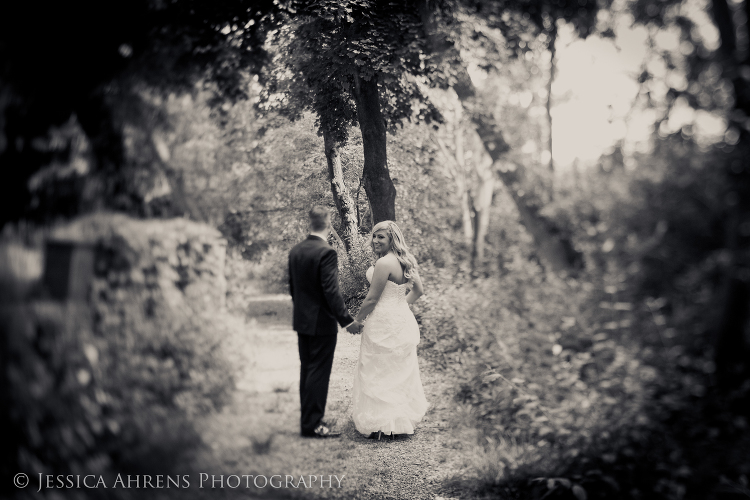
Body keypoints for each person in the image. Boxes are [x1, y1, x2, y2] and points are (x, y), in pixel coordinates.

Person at [350, 220, 429, 439]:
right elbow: (418, 291)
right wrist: (400, 305)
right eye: (374, 236)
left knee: (379, 369)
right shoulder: (407, 260)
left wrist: (357, 320)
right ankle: (398, 422)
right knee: (396, 370)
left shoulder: (384, 263)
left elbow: (372, 298)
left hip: (383, 321)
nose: (375, 240)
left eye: (381, 237)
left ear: (392, 239)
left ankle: (381, 424)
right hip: (401, 319)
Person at [288, 206, 362, 438]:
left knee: (307, 371)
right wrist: (346, 321)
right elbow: (331, 291)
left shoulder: (296, 251)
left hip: (302, 321)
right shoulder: (326, 252)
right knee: (318, 373)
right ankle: (313, 425)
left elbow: (294, 289)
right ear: (328, 224)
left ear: (309, 223)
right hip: (321, 323)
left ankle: (308, 421)